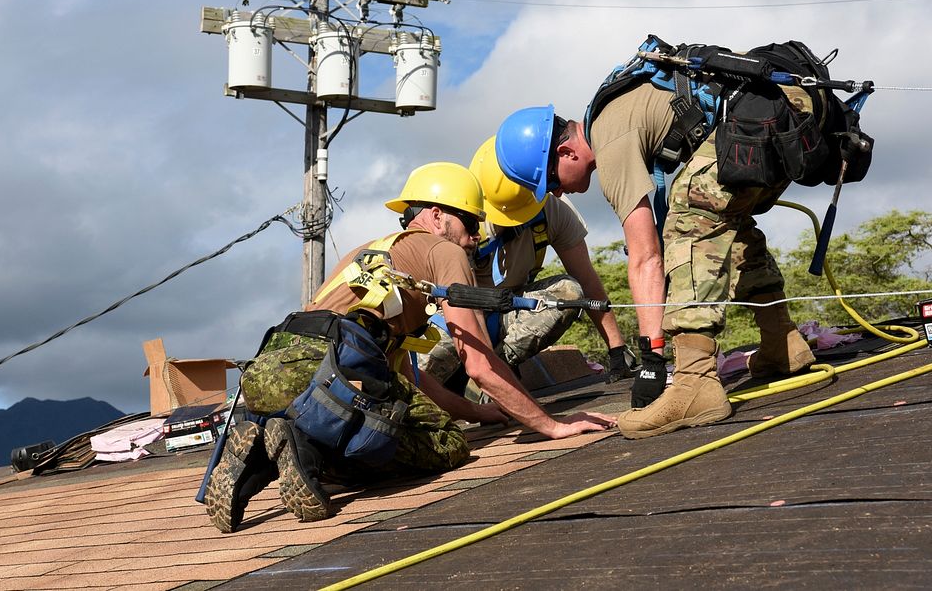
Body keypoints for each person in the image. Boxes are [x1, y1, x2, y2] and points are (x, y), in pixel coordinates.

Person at [205, 162, 616, 532]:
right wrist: (550, 425)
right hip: (328, 376)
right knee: (446, 445)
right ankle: (312, 453)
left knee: (401, 416)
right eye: (470, 222)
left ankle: (263, 457)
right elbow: (477, 362)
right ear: (437, 216)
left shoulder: (368, 255)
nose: (475, 237)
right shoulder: (444, 252)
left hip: (274, 369)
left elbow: (410, 381)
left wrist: (485, 413)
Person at [494, 39, 870, 439]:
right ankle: (782, 343)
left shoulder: (609, 137)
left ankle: (695, 382)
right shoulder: (615, 110)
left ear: (567, 152)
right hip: (791, 109)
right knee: (729, 219)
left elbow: (645, 256)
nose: (555, 194)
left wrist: (653, 357)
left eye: (549, 181)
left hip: (769, 114)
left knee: (690, 212)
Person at [422, 136, 638, 395]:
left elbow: (586, 279)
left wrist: (616, 348)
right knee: (419, 387)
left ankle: (495, 376)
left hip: (506, 314)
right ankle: (470, 382)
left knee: (568, 291)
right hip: (453, 320)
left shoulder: (552, 210)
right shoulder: (462, 222)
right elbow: (464, 304)